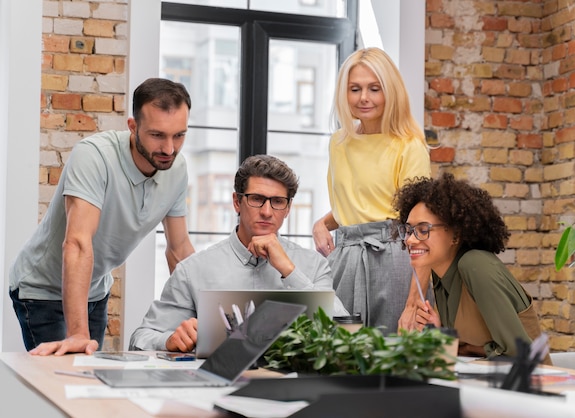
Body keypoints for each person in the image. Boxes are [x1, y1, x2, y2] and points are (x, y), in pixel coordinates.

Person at [9, 78, 196, 356]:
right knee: (62, 383)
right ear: (133, 127)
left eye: (179, 135)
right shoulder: (94, 156)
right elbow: (78, 243)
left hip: (95, 291)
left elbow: (179, 249)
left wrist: (208, 318)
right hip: (42, 290)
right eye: (158, 135)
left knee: (85, 380)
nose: (169, 149)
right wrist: (77, 334)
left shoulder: (177, 169)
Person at [129, 154, 348, 352]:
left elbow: (343, 332)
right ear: (237, 202)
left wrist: (289, 271)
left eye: (278, 202)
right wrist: (170, 340)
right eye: (256, 199)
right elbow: (141, 338)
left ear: (288, 208)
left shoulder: (314, 265)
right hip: (215, 387)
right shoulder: (193, 270)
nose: (266, 211)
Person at [312, 47, 431, 333]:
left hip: (395, 257)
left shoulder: (409, 145)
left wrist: (414, 302)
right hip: (346, 256)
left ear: (390, 91)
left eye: (374, 88)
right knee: (338, 351)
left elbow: (423, 227)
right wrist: (322, 223)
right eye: (355, 89)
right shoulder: (338, 143)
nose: (364, 97)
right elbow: (358, 202)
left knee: (392, 355)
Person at [393, 173, 547, 360]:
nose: (410, 240)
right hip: (478, 383)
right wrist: (439, 332)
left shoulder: (475, 265)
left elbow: (520, 352)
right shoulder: (440, 274)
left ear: (456, 234)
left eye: (423, 230)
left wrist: (461, 347)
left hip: (527, 385)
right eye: (409, 230)